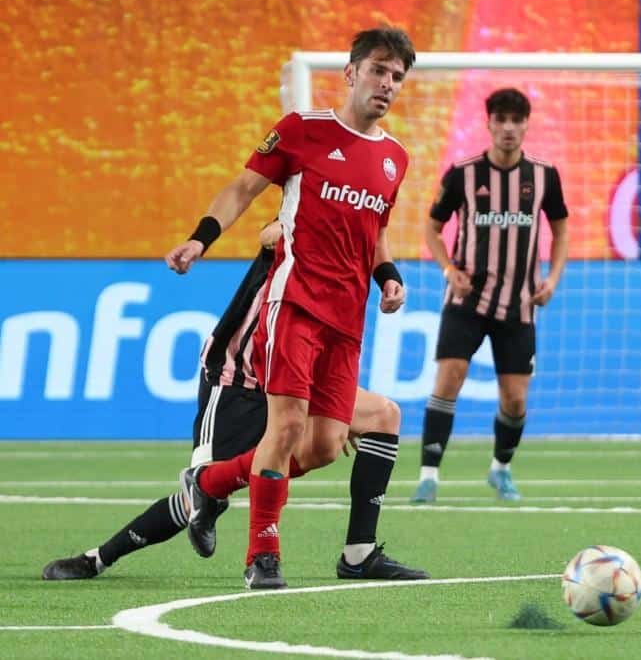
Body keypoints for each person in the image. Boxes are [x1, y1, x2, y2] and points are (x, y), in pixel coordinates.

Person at [164, 26, 415, 589]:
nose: (387, 83)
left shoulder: (395, 159)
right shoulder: (302, 130)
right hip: (295, 302)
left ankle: (208, 485)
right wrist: (201, 239)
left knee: (323, 446)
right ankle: (262, 556)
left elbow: (374, 233)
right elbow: (242, 189)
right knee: (288, 423)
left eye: (397, 76)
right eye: (378, 70)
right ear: (351, 73)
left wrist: (389, 277)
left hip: (348, 320)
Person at [43, 225, 427, 582]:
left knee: (382, 416)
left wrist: (388, 276)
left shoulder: (355, 225)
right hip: (238, 380)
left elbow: (372, 244)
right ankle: (98, 558)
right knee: (196, 502)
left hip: (295, 373)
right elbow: (270, 233)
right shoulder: (309, 208)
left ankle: (359, 554)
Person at [409, 88, 569, 504]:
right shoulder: (462, 174)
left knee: (515, 399)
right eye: (502, 120)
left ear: (526, 125)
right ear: (489, 124)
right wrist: (449, 270)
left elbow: (561, 228)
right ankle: (428, 477)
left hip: (519, 303)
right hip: (467, 300)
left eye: (517, 120)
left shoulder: (544, 176)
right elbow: (432, 228)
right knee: (449, 378)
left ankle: (500, 469)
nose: (509, 128)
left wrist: (552, 278)